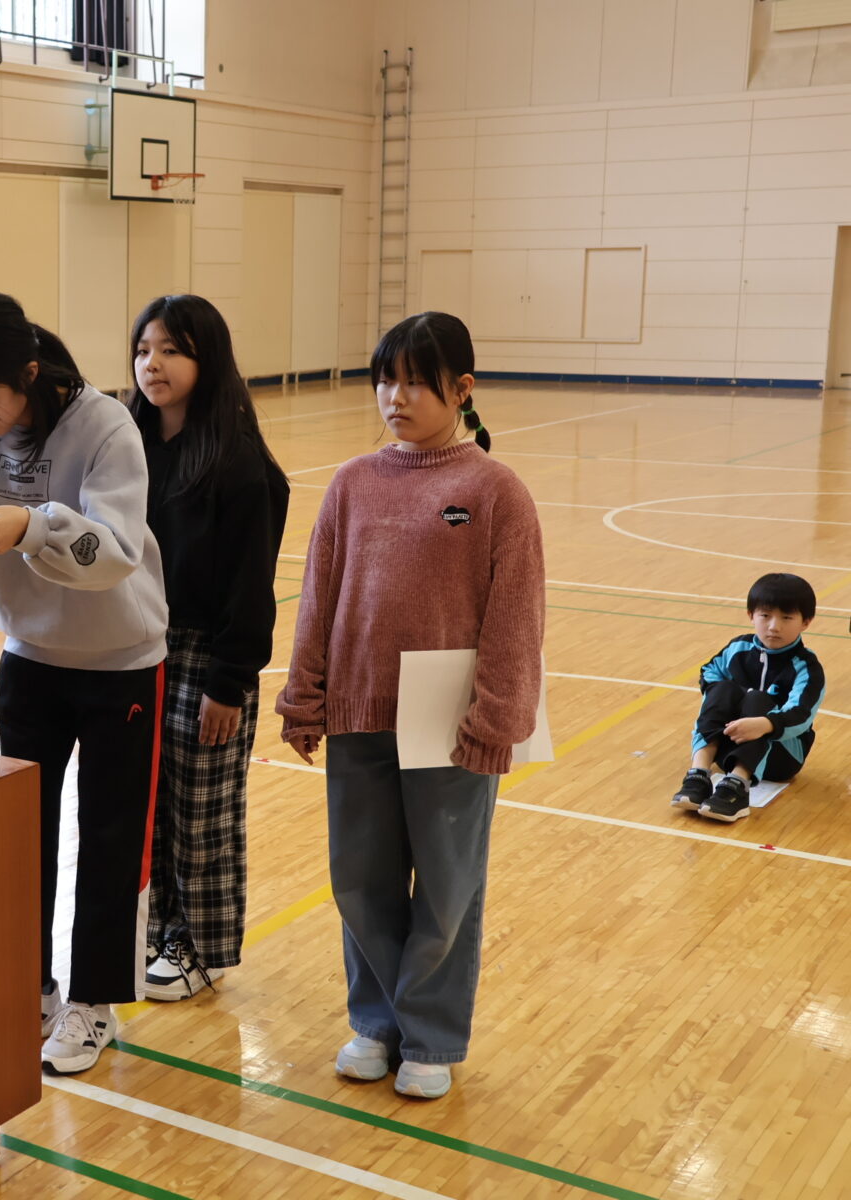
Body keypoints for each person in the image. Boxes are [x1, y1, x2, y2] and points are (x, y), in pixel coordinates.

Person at [275, 311, 544, 1101]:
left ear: (462, 389)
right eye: (385, 380)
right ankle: (377, 1022)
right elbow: (318, 596)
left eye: (416, 381)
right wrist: (304, 697)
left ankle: (428, 1034)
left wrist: (495, 719)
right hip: (360, 713)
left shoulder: (494, 492)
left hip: (450, 725)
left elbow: (516, 618)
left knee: (449, 886)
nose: (396, 397)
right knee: (362, 879)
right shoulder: (353, 482)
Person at [0, 292, 169, 1075]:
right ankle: (33, 987)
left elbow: (116, 552)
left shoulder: (106, 427)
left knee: (114, 839)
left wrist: (31, 524)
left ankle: (93, 1005)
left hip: (121, 660)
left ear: (27, 371)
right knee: (20, 836)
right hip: (29, 660)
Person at [129, 295, 289, 1002]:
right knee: (149, 807)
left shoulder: (240, 465)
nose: (151, 364)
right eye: (143, 349)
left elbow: (252, 589)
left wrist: (230, 681)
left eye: (171, 350)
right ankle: (164, 930)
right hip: (134, 646)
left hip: (207, 655)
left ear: (207, 359)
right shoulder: (126, 446)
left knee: (201, 813)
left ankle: (205, 945)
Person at [671, 572, 823, 822]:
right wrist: (725, 704)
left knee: (758, 701)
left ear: (805, 622)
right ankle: (698, 773)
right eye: (765, 615)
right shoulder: (738, 648)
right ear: (751, 615)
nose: (774, 626)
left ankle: (738, 786)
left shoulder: (806, 666)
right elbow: (709, 672)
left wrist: (764, 724)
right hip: (730, 743)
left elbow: (801, 716)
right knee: (721, 689)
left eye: (786, 617)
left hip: (781, 757)